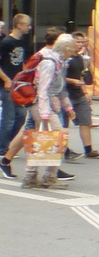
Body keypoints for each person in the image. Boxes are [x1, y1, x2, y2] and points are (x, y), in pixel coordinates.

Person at [20, 33, 77, 189]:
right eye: (72, 50)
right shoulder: (50, 63)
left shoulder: (56, 61)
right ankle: (46, 177)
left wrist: (67, 106)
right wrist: (45, 113)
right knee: (56, 138)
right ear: (66, 49)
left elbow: (58, 87)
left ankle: (33, 177)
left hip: (43, 105)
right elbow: (43, 89)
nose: (72, 54)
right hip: (41, 105)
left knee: (45, 139)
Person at [0, 13, 32, 179]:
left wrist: (25, 78)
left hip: (18, 84)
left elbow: (22, 63)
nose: (29, 27)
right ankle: (3, 149)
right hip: (7, 84)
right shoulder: (6, 42)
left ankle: (10, 146)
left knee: (20, 115)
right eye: (27, 24)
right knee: (9, 117)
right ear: (19, 25)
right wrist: (6, 79)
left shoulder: (22, 42)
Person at [65, 31, 99, 160]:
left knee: (85, 121)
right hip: (65, 96)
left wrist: (86, 93)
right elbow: (58, 77)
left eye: (82, 42)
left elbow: (80, 76)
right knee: (63, 124)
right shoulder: (66, 58)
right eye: (78, 42)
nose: (80, 44)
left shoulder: (80, 58)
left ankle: (89, 150)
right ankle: (65, 150)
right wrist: (72, 81)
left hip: (78, 94)